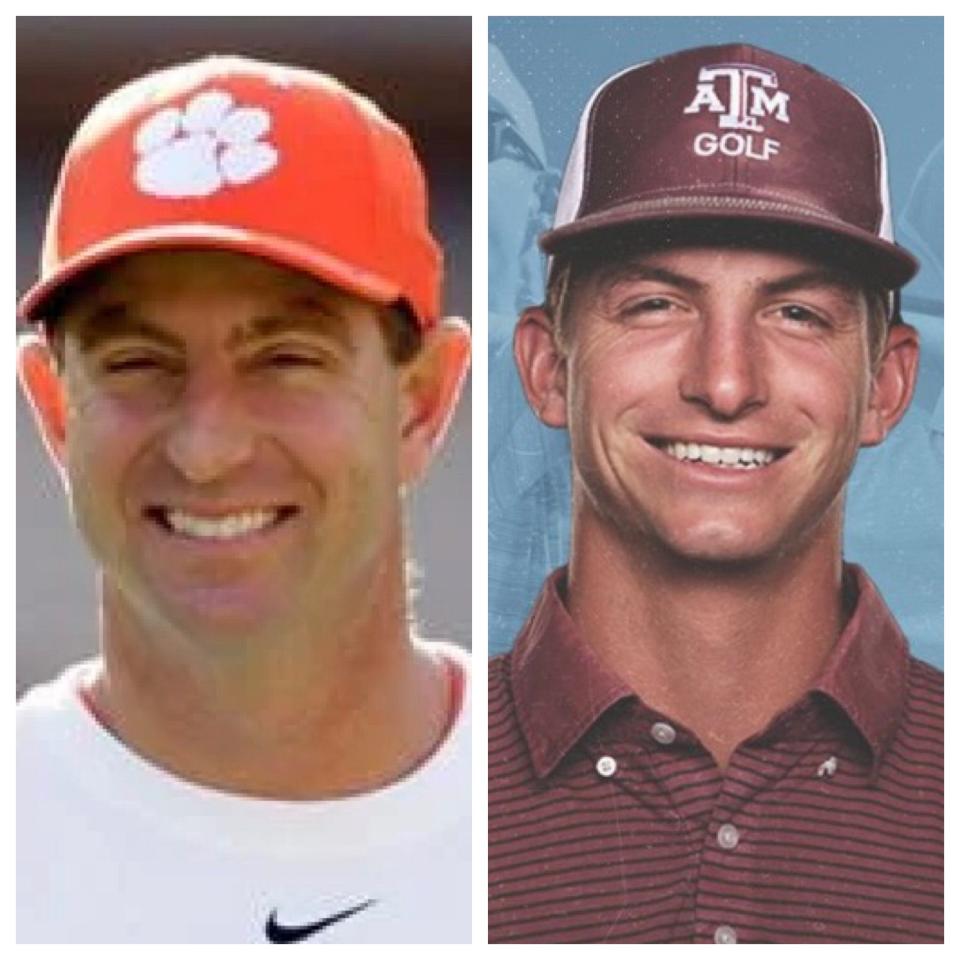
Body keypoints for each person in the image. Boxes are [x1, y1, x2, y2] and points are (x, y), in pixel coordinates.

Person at [488, 43, 942, 944]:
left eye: (798, 313)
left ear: (885, 389)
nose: (726, 383)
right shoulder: (427, 789)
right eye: (655, 305)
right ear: (546, 368)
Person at [17, 55, 471, 944]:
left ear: (422, 402)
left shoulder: (602, 844)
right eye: (137, 363)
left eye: (288, 359)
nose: (207, 448)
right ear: (55, 409)